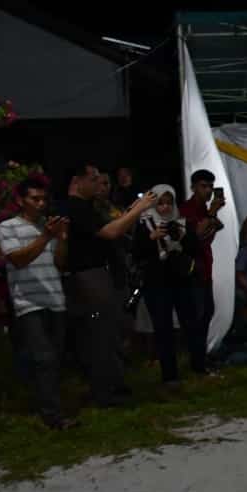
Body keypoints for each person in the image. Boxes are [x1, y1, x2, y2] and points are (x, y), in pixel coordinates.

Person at [58, 162, 157, 407]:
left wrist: (131, 211)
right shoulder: (75, 208)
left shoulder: (88, 207)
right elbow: (110, 232)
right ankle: (106, 392)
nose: (97, 184)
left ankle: (113, 386)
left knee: (111, 333)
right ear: (77, 181)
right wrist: (139, 209)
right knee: (101, 335)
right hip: (89, 277)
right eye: (93, 179)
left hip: (101, 275)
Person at [0, 179, 75, 429]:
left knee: (54, 358)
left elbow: (60, 263)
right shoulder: (7, 227)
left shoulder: (46, 226)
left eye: (43, 199)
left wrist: (61, 239)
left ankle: (49, 408)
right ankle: (52, 417)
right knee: (44, 358)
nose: (41, 204)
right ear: (20, 200)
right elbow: (18, 259)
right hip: (28, 302)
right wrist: (46, 237)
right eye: (35, 199)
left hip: (55, 298)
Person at [132, 185, 206, 384]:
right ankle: (169, 375)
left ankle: (199, 366)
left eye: (168, 203)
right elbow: (136, 253)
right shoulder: (144, 224)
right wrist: (151, 239)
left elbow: (196, 249)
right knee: (163, 328)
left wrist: (182, 236)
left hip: (181, 280)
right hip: (156, 283)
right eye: (160, 203)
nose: (164, 208)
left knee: (191, 323)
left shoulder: (181, 222)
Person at [180, 170, 227, 356]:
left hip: (205, 269)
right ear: (193, 187)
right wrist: (213, 213)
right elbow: (196, 235)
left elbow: (215, 228)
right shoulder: (186, 209)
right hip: (192, 272)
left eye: (211, 187)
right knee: (196, 318)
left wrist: (212, 215)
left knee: (206, 314)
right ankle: (197, 362)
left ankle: (201, 359)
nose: (208, 191)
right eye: (203, 186)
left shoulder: (203, 211)